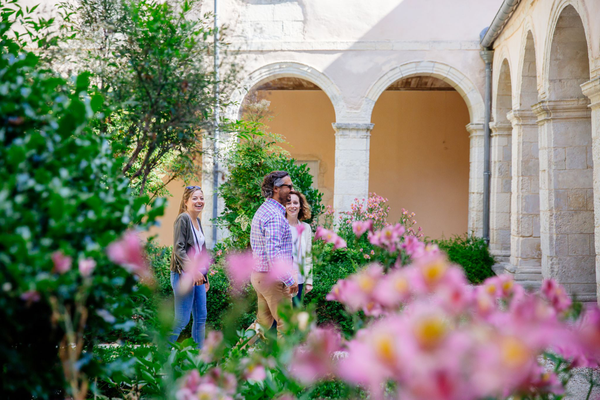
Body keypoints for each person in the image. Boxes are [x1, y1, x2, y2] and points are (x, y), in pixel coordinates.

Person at [250, 171, 298, 338]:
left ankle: (234, 357)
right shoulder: (275, 216)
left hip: (260, 276)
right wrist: (289, 279)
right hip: (273, 279)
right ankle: (283, 364)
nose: (292, 190)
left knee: (262, 323)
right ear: (277, 189)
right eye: (289, 186)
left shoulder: (265, 210)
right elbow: (274, 255)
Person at [169, 185, 210, 348]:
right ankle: (161, 355)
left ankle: (199, 359)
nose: (199, 201)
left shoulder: (197, 221)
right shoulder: (183, 219)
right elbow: (178, 248)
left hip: (198, 276)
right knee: (181, 319)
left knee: (201, 317)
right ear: (186, 201)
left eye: (201, 198)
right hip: (184, 274)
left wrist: (205, 276)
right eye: (195, 198)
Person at [286, 190, 313, 306]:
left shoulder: (306, 228)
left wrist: (309, 281)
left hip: (299, 280)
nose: (292, 206)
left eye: (295, 203)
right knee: (279, 320)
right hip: (282, 281)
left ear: (300, 206)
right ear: (284, 206)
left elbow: (308, 256)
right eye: (288, 203)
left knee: (295, 319)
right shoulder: (280, 225)